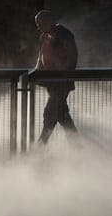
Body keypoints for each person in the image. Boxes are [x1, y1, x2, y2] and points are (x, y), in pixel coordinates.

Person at [33, 9, 79, 143]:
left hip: (62, 81)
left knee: (50, 112)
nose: (40, 27)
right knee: (61, 114)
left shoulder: (64, 34)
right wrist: (37, 70)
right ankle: (77, 144)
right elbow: (41, 56)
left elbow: (73, 56)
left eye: (43, 24)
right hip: (50, 81)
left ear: (51, 21)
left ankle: (41, 144)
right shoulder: (44, 37)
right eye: (38, 25)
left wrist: (64, 72)